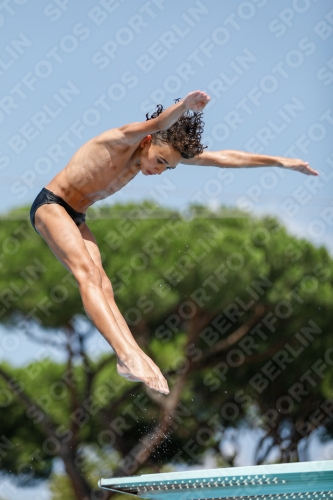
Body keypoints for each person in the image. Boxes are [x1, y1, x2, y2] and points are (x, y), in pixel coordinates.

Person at [29, 91, 318, 395]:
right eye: (161, 160)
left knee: (104, 284)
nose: (159, 170)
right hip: (52, 205)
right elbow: (159, 122)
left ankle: (133, 355)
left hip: (77, 215)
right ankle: (127, 355)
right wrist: (184, 106)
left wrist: (280, 162)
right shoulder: (121, 138)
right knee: (87, 274)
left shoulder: (155, 152)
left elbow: (223, 159)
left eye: (168, 167)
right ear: (148, 141)